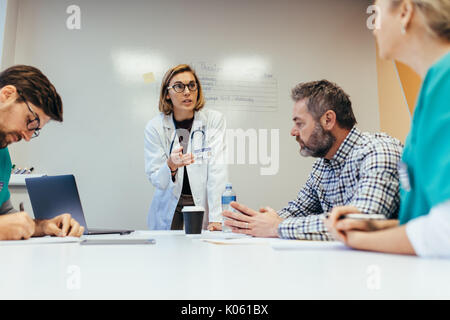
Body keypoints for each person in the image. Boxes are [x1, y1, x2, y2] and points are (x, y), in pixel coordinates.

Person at [326, 0, 450, 258]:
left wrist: (359, 240)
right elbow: (432, 217)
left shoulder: (445, 81)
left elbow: (444, 233)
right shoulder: (434, 85)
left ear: (404, 12)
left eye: (377, 13)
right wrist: (376, 226)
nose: (373, 28)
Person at [223, 80, 403, 239]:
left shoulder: (378, 151)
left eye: (299, 123)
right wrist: (249, 223)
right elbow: (298, 209)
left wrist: (277, 227)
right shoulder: (323, 165)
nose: (293, 131)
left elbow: (361, 222)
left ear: (328, 120)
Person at [0, 65, 84, 240]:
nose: (28, 136)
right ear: (7, 95)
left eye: (35, 130)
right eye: (30, 120)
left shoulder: (3, 156)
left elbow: (5, 215)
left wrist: (44, 226)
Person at [145, 64, 227, 231]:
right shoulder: (155, 127)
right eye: (179, 87)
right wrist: (170, 166)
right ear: (167, 94)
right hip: (169, 205)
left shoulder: (213, 121)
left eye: (192, 85)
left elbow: (217, 172)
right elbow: (158, 181)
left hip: (201, 204)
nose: (187, 92)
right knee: (167, 254)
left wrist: (216, 217)